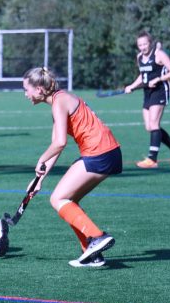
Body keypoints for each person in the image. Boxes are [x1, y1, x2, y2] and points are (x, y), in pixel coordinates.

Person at [23, 67, 122, 267]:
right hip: (107, 152)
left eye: (27, 89)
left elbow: (60, 143)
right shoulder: (59, 101)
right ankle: (91, 253)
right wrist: (39, 180)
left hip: (99, 152)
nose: (26, 94)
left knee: (58, 198)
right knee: (70, 202)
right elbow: (56, 146)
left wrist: (40, 159)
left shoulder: (59, 101)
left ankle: (97, 237)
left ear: (40, 89)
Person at [124, 32, 170, 169]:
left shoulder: (159, 55)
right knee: (149, 127)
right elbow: (142, 75)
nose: (143, 47)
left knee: (154, 123)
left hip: (160, 91)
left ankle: (152, 159)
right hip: (148, 93)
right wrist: (132, 86)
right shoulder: (139, 57)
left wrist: (159, 79)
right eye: (140, 45)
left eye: (145, 44)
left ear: (150, 43)